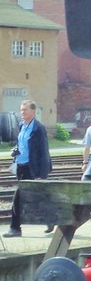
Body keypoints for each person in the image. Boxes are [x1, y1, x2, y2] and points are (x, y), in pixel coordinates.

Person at [5, 100, 53, 237]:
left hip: (32, 168)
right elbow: (21, 144)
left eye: (25, 110)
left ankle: (15, 228)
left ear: (33, 111)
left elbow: (43, 152)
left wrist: (42, 174)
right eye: (21, 110)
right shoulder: (22, 126)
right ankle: (50, 219)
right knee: (36, 196)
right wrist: (15, 150)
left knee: (18, 197)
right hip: (20, 166)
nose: (22, 112)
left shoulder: (38, 128)